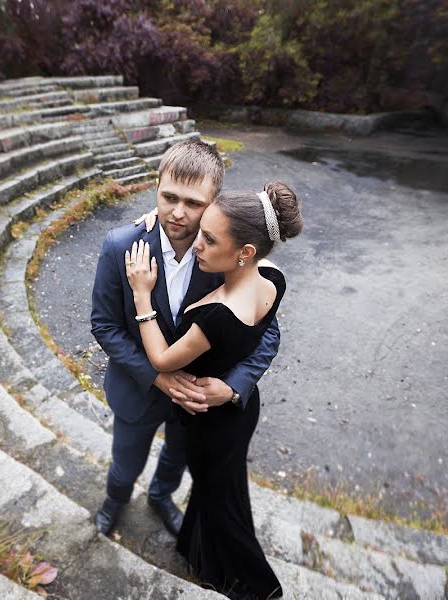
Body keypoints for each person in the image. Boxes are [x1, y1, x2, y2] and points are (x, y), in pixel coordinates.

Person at [90, 140, 281, 539]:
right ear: (156, 186)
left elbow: (267, 331)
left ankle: (161, 497)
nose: (177, 213)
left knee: (176, 459)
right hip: (137, 390)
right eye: (168, 197)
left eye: (193, 203)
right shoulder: (120, 246)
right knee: (124, 461)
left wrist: (233, 387)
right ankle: (116, 499)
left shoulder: (226, 254)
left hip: (195, 402)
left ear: (214, 203)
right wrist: (157, 376)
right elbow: (105, 326)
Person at [124, 182, 303, 599]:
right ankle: (197, 552)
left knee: (222, 502)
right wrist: (163, 224)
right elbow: (261, 332)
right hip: (241, 410)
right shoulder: (273, 279)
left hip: (210, 419)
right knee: (221, 488)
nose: (197, 243)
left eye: (208, 238)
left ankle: (260, 588)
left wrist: (141, 296)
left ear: (245, 252)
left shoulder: (216, 315)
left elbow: (163, 361)